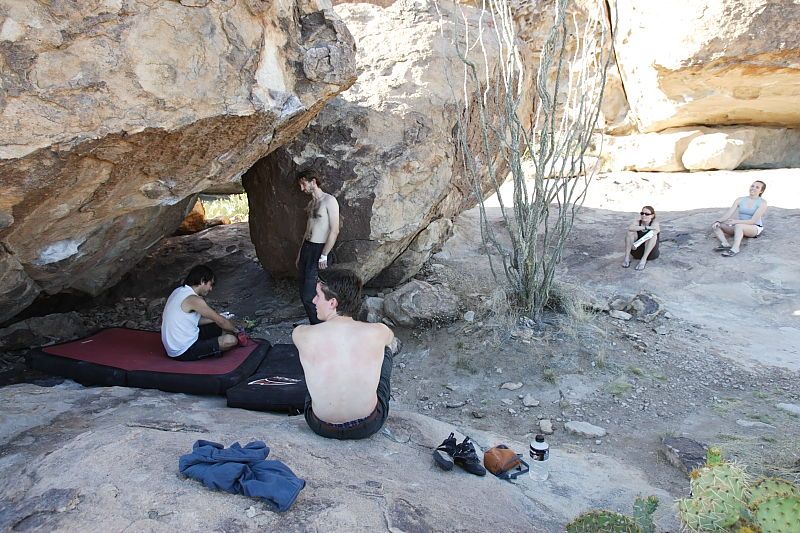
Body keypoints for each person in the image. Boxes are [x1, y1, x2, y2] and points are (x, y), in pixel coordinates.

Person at [292, 269, 394, 440]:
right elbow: (391, 338)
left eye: (318, 295)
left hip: (320, 425)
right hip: (368, 425)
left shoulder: (301, 334)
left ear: (333, 303)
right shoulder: (378, 331)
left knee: (313, 359)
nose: (313, 301)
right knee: (386, 349)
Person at [161, 265, 239, 360]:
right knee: (231, 340)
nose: (211, 289)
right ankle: (212, 351)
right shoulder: (193, 300)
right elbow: (221, 321)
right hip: (183, 350)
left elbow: (195, 321)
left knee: (221, 327)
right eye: (211, 284)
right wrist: (236, 331)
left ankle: (213, 345)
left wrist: (218, 319)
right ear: (202, 281)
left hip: (177, 343)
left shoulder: (179, 291)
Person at [295, 170, 340, 325]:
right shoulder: (312, 203)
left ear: (313, 181)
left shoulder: (329, 200)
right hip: (307, 249)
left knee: (309, 295)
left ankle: (322, 327)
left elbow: (334, 230)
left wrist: (324, 254)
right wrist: (300, 253)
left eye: (303, 184)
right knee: (303, 292)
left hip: (319, 250)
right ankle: (317, 326)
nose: (302, 188)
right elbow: (307, 231)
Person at [711, 180, 768, 257]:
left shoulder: (762, 203)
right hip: (739, 225)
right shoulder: (740, 200)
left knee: (739, 226)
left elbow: (752, 221)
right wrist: (718, 221)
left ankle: (735, 248)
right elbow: (729, 213)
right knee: (716, 225)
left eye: (757, 187)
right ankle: (725, 244)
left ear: (761, 191)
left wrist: (735, 222)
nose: (753, 188)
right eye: (752, 186)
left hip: (754, 227)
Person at [622, 205, 660, 271]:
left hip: (650, 254)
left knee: (652, 236)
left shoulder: (655, 224)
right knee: (630, 232)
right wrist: (645, 227)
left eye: (647, 214)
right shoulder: (637, 222)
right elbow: (630, 228)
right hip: (636, 253)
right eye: (642, 213)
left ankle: (643, 260)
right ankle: (627, 258)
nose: (644, 215)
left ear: (652, 215)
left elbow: (656, 230)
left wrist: (637, 243)